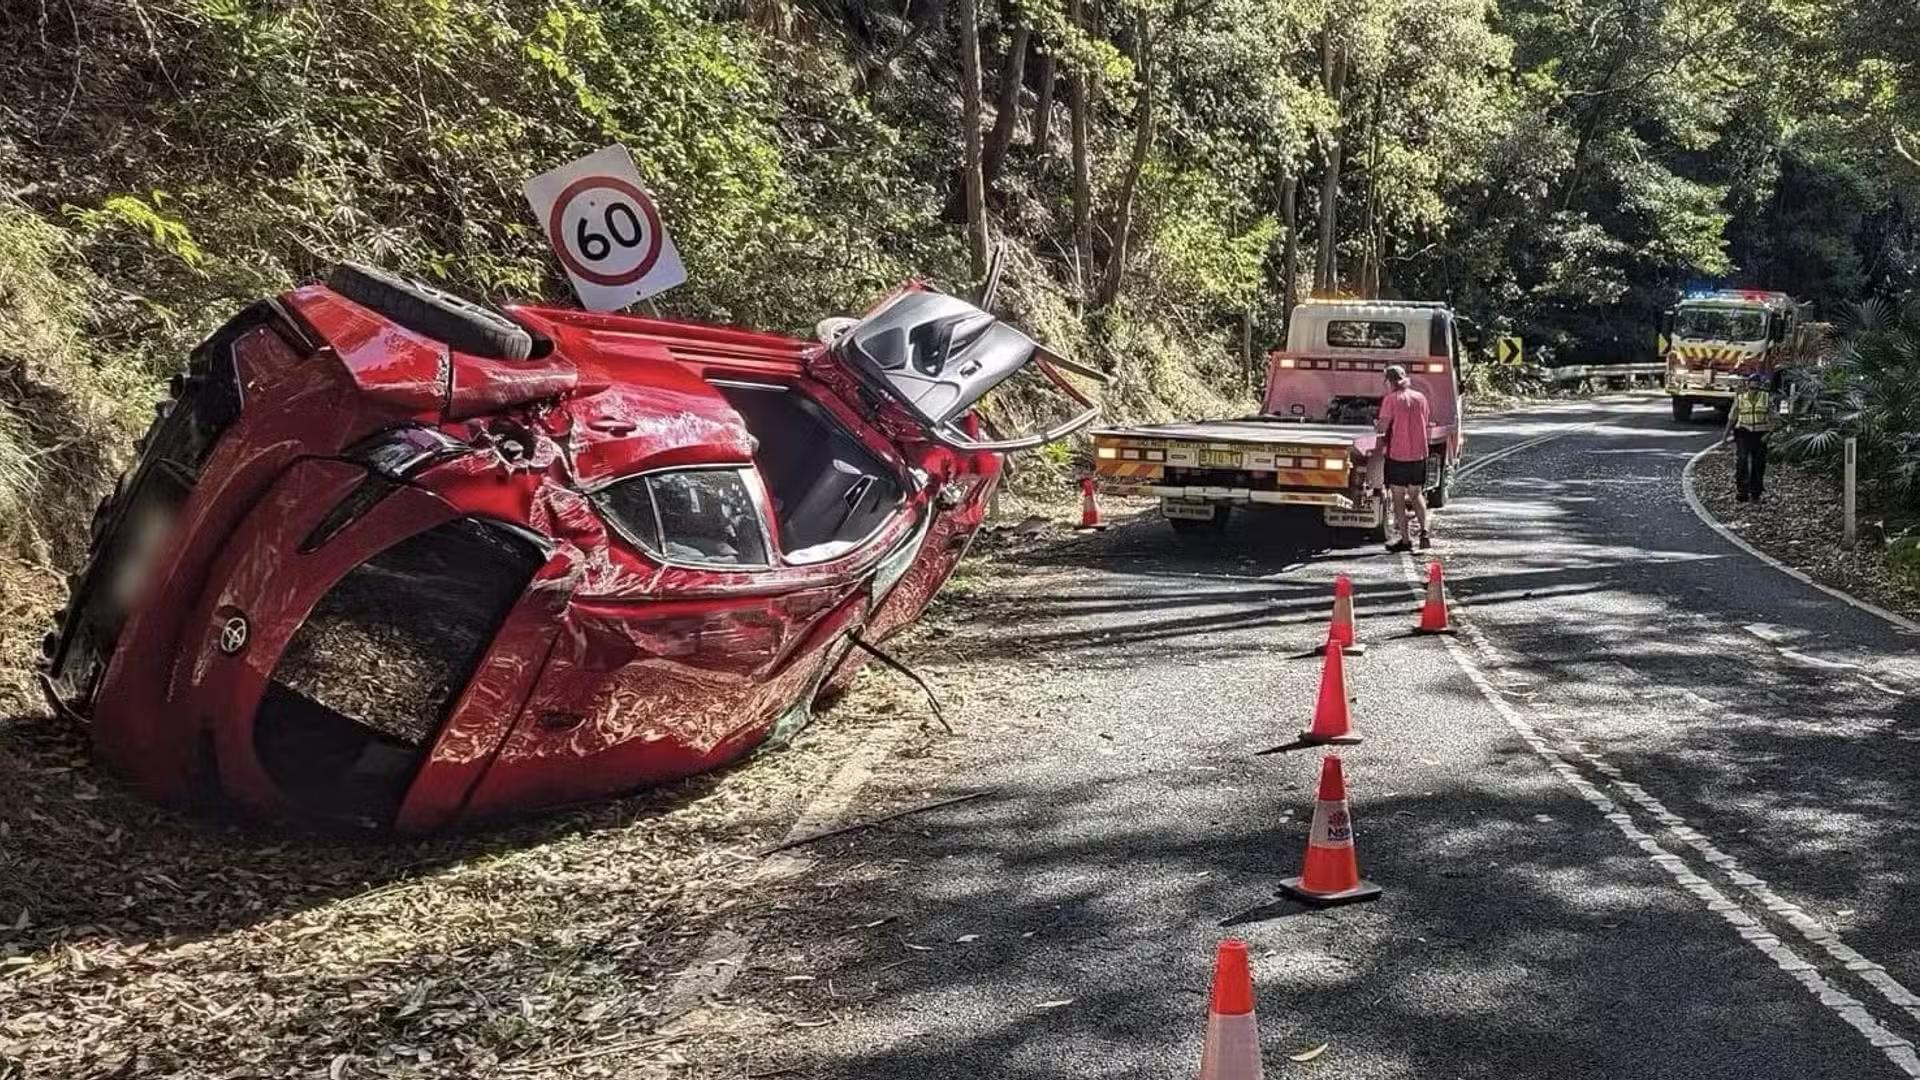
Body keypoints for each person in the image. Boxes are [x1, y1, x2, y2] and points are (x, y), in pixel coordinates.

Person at [1375, 364, 1433, 551]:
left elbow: (1383, 427)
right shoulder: (1420, 397)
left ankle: (1406, 540)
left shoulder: (1391, 400)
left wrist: (1376, 425)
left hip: (1398, 455)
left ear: (1389, 382)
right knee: (1416, 495)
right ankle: (1425, 533)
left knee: (1398, 498)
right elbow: (1425, 420)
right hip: (1419, 454)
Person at [1727, 369, 1779, 503]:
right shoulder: (1740, 398)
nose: (1753, 390)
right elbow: (1732, 418)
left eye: (1756, 387)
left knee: (1758, 464)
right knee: (1742, 462)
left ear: (1760, 386)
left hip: (1760, 435)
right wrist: (1724, 436)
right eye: (1751, 387)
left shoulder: (1766, 399)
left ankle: (1756, 492)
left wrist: (1768, 434)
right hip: (1743, 433)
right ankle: (1742, 491)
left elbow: (1775, 419)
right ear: (1747, 386)